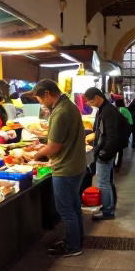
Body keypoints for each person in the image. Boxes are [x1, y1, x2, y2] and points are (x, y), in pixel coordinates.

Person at [33, 80, 86, 257]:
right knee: (74, 206)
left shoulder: (60, 112)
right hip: (77, 165)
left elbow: (54, 147)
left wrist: (35, 155)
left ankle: (73, 247)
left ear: (47, 93)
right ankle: (77, 239)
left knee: (66, 209)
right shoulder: (69, 106)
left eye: (40, 98)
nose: (41, 102)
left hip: (65, 168)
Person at [83, 87, 121, 221]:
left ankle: (107, 211)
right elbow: (103, 133)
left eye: (90, 101)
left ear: (98, 98)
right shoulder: (104, 109)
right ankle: (110, 206)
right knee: (106, 181)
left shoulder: (108, 111)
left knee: (103, 183)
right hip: (105, 151)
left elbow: (111, 135)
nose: (89, 104)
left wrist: (103, 153)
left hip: (106, 153)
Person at [113, 97, 133, 170]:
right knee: (120, 146)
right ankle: (118, 163)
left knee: (118, 146)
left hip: (125, 128)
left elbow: (119, 121)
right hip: (128, 126)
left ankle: (117, 163)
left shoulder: (120, 110)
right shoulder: (124, 109)